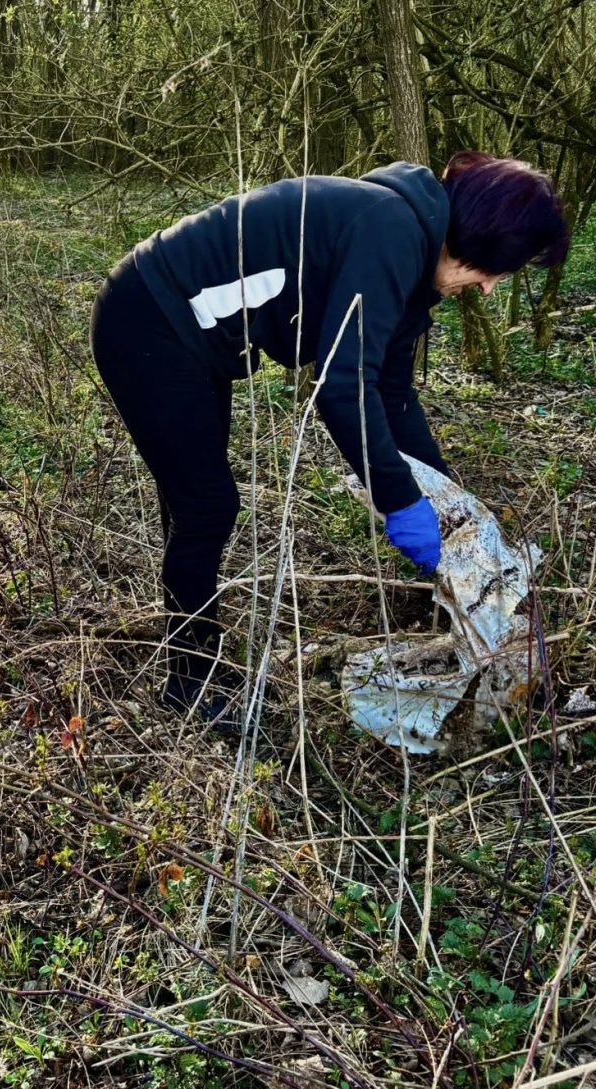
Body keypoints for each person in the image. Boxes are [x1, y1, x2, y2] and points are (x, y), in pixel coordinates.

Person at [90, 151, 570, 731]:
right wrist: (399, 502)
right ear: (483, 237)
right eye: (497, 268)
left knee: (196, 503)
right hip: (150, 321)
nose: (490, 287)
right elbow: (341, 388)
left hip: (186, 336)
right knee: (206, 506)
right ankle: (191, 682)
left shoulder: (408, 245)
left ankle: (195, 654)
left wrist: (448, 503)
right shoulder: (390, 233)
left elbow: (390, 392)